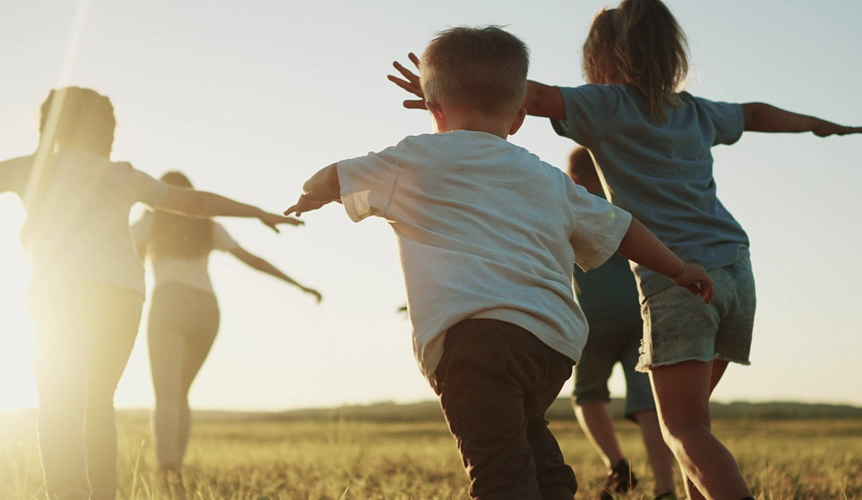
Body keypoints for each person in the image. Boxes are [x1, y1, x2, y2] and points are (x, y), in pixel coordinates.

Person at [385, 2, 862, 498]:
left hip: (678, 279)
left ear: (599, 58)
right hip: (735, 272)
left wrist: (444, 90)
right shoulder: (695, 111)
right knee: (692, 424)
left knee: (684, 431)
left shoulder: (608, 104)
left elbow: (519, 94)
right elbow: (754, 114)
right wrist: (817, 123)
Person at [287, 26, 713, 500]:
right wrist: (677, 268)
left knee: (498, 474)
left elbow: (332, 177)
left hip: (474, 342)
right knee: (527, 442)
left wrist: (307, 198)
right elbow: (621, 227)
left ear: (434, 109)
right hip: (550, 345)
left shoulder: (412, 160)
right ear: (519, 118)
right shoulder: (547, 179)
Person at [0, 87, 300, 500]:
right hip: (122, 295)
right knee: (99, 401)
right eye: (108, 123)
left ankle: (70, 493)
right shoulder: (123, 175)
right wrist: (256, 210)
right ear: (94, 128)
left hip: (62, 295)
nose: (114, 131)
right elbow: (193, 204)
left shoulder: (35, 169)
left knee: (59, 397)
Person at [131, 171, 322, 474]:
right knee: (180, 394)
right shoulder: (208, 227)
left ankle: (167, 470)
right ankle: (175, 468)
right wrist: (299, 285)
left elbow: (117, 255)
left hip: (169, 303)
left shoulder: (149, 223)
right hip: (206, 310)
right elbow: (253, 260)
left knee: (166, 395)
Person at [565, 147, 676, 500]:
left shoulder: (571, 207)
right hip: (640, 313)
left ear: (575, 179)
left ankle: (617, 464)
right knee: (648, 404)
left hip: (593, 318)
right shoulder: (628, 203)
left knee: (587, 395)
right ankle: (666, 489)